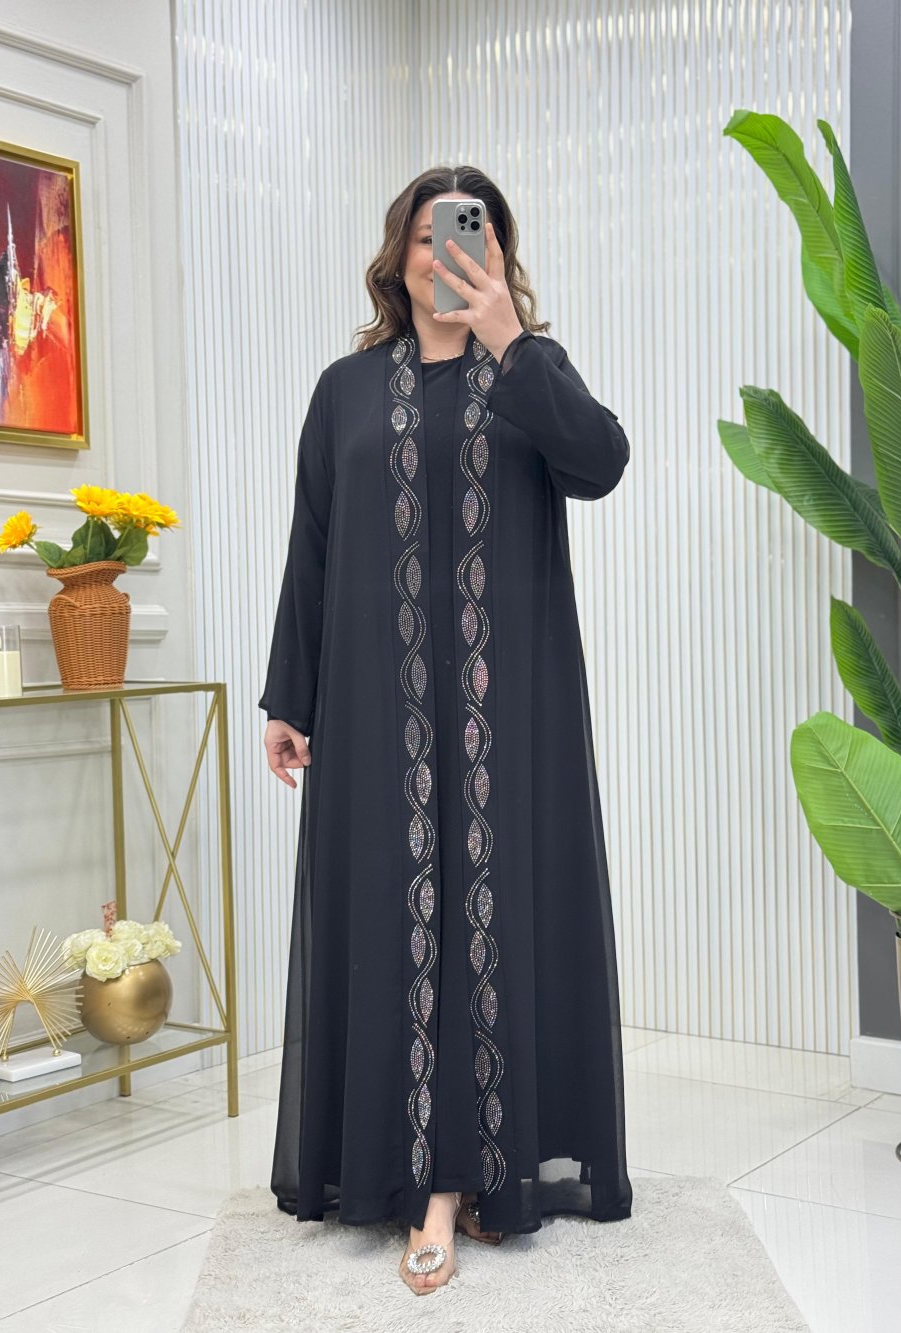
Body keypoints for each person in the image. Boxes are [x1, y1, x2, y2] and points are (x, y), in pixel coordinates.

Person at [258, 164, 633, 1296]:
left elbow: (601, 464)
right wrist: (289, 697)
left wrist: (511, 340)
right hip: (376, 711)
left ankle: (464, 1179)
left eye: (471, 237)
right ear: (400, 253)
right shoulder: (344, 390)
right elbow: (313, 544)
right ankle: (411, 1169)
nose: (447, 256)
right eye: (429, 237)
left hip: (504, 716)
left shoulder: (530, 371)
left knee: (489, 922)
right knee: (392, 919)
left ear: (498, 253)